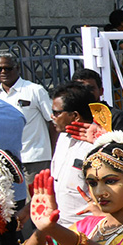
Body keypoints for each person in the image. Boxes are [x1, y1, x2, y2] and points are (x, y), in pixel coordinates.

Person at [0, 53, 52, 177]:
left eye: (8, 68)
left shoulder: (35, 90)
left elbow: (52, 121)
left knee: (37, 196)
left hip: (35, 158)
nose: (3, 72)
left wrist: (53, 151)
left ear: (17, 68)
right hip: (6, 161)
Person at [48, 84, 98, 227]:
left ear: (75, 116)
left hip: (89, 229)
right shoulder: (63, 138)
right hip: (62, 225)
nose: (52, 117)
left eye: (57, 113)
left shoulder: (96, 145)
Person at [70, 69, 123, 134]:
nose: (85, 92)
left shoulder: (116, 117)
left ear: (101, 91)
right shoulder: (69, 116)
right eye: (80, 88)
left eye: (90, 88)